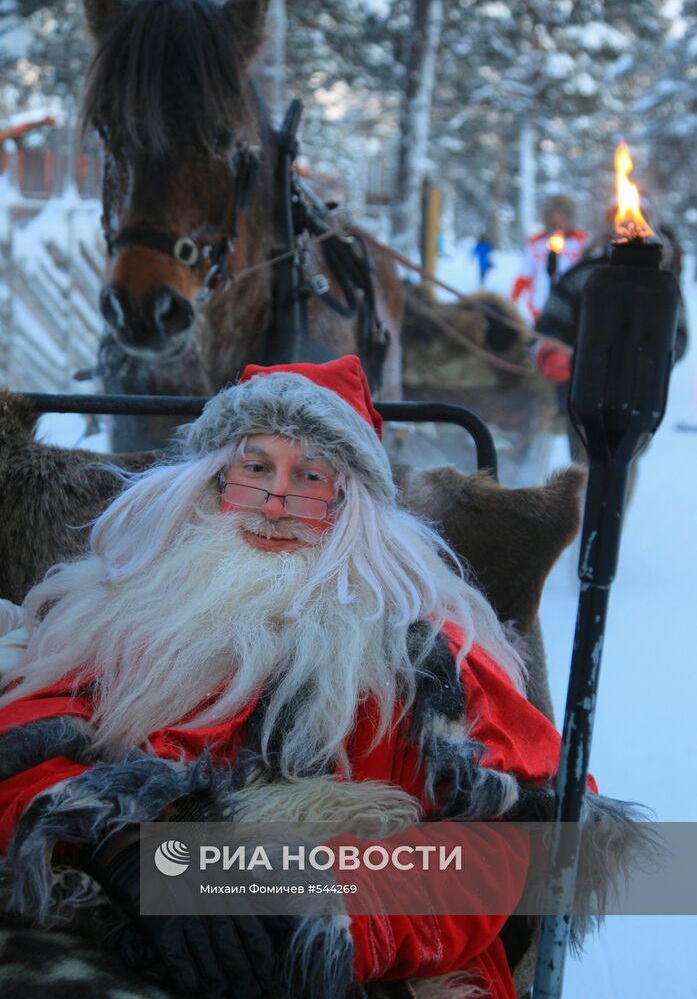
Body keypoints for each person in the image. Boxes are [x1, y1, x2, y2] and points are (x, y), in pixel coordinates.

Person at [0, 356, 635, 999]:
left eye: (308, 476)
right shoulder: (123, 610)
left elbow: (507, 846)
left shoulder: (423, 656)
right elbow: (26, 740)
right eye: (255, 469)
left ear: (350, 505)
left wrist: (301, 903)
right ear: (214, 482)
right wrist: (122, 843)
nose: (275, 503)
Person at [533, 220, 689, 465]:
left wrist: (653, 360)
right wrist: (558, 351)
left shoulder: (662, 285)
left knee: (623, 461)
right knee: (585, 462)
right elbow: (553, 318)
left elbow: (679, 336)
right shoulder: (585, 275)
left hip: (639, 391)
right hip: (583, 385)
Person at [511, 195, 589, 324]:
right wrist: (511, 302)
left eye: (564, 214)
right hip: (540, 308)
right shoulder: (535, 243)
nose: (558, 219)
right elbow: (524, 276)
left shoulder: (582, 241)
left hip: (573, 309)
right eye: (554, 214)